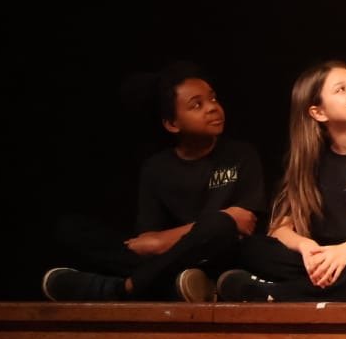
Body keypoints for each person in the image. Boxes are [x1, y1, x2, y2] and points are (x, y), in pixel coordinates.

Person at [43, 64, 263, 302]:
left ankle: (123, 288)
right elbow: (146, 238)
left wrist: (161, 241)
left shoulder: (241, 155)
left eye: (213, 98)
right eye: (197, 105)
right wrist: (160, 242)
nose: (213, 108)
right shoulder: (156, 167)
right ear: (172, 124)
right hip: (174, 258)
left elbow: (243, 222)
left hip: (218, 253)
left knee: (221, 225)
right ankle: (182, 285)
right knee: (71, 228)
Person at [215, 62, 346, 302]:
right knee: (251, 248)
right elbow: (280, 229)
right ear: (318, 112)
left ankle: (280, 294)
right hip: (326, 261)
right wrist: (306, 248)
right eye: (341, 89)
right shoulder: (309, 162)